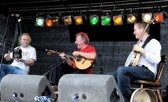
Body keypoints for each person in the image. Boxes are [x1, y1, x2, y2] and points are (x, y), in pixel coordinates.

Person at [108, 22, 161, 102]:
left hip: (148, 72)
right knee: (109, 76)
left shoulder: (153, 42)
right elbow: (129, 62)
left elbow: (157, 59)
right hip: (137, 70)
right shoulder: (139, 43)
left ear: (142, 29)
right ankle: (115, 96)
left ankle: (125, 100)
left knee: (122, 71)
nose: (134, 32)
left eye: (135, 30)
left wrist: (142, 50)